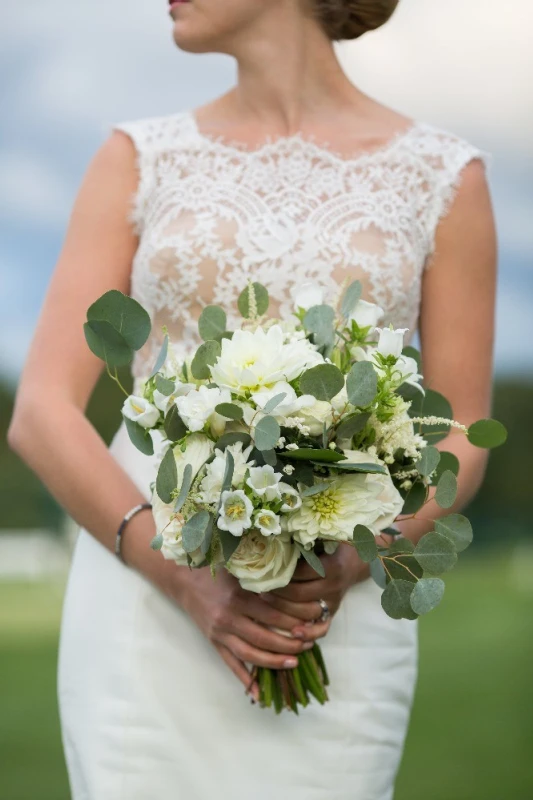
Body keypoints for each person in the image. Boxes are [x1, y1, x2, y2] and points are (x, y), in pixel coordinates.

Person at [8, 0, 497, 797]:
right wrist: (181, 576)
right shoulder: (139, 158)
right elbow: (42, 413)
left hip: (334, 610)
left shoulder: (443, 176)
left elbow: (462, 432)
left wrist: (344, 563)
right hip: (147, 599)